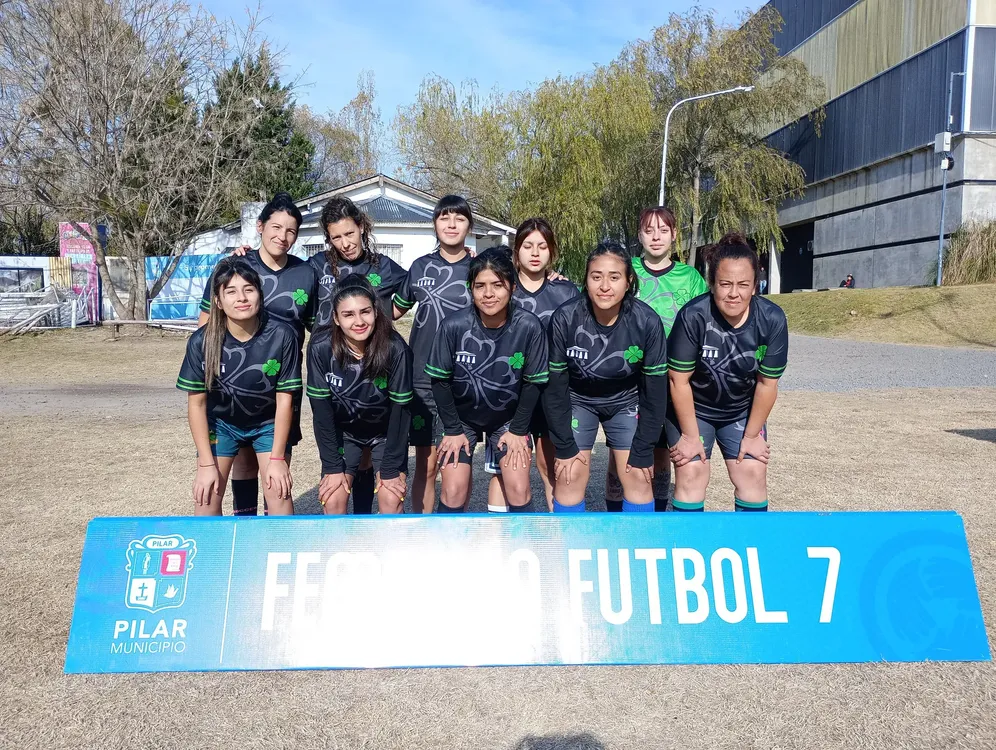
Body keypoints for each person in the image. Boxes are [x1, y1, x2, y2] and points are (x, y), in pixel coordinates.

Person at [198, 193, 316, 516]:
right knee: (243, 463)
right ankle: (245, 525)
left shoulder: (306, 273)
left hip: (281, 382)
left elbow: (316, 327)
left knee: (275, 468)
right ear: (260, 226)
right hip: (234, 381)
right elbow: (206, 326)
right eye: (276, 227)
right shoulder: (236, 265)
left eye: (291, 231)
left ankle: (270, 530)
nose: (282, 236)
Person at [666, 232, 788, 512]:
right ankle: (690, 538)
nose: (734, 293)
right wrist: (690, 437)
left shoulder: (772, 319)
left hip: (740, 410)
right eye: (725, 284)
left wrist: (752, 436)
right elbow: (678, 381)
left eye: (743, 284)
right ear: (712, 284)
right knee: (692, 472)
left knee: (752, 473)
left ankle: (750, 539)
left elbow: (767, 384)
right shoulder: (693, 316)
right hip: (693, 408)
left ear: (755, 286)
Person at [544, 241, 669, 513]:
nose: (604, 286)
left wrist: (644, 448)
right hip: (577, 400)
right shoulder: (565, 318)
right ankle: (569, 538)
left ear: (628, 282)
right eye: (596, 276)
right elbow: (554, 388)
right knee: (569, 474)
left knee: (638, 475)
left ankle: (635, 539)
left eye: (614, 277)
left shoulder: (647, 322)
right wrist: (564, 445)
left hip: (626, 401)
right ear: (586, 280)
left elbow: (656, 392)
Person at [425, 248, 548, 511]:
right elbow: (440, 382)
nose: (488, 293)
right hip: (460, 418)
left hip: (508, 419)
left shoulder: (529, 326)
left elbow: (534, 383)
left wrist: (518, 430)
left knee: (518, 488)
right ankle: (451, 537)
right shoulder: (453, 325)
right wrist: (453, 430)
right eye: (480, 286)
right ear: (470, 288)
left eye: (497, 285)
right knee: (453, 490)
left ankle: (522, 536)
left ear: (513, 287)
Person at [604, 206, 708, 513]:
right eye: (649, 230)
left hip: (672, 378)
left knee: (662, 453)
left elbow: (703, 323)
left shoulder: (690, 277)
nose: (656, 237)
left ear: (674, 235)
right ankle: (616, 517)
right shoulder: (627, 269)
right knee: (621, 455)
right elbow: (595, 297)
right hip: (629, 379)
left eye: (663, 230)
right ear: (639, 235)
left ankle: (658, 516)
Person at [179, 258, 301, 516]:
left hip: (267, 423)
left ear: (260, 295)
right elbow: (196, 405)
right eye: (231, 292)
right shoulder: (201, 341)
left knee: (278, 491)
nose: (242, 298)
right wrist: (205, 465)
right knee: (206, 497)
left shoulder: (282, 335)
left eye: (249, 289)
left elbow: (285, 401)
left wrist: (277, 459)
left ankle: (274, 539)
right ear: (218, 301)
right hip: (221, 424)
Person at [307, 196, 406, 514]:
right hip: (336, 368)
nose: (345, 243)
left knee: (386, 487)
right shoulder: (316, 266)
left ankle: (378, 529)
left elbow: (417, 285)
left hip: (376, 367)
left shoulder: (383, 266)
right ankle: (354, 530)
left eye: (349, 233)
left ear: (361, 227)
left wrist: (462, 259)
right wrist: (248, 256)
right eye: (336, 237)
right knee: (340, 486)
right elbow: (281, 279)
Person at [485, 217, 579, 513]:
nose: (535, 253)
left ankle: (556, 532)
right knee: (506, 471)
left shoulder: (566, 291)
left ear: (552, 251)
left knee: (551, 468)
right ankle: (501, 535)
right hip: (510, 395)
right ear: (516, 251)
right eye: (527, 246)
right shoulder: (503, 289)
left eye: (542, 246)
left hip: (553, 393)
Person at [392, 195, 475, 513]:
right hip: (422, 380)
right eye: (444, 218)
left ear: (470, 226)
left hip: (465, 381)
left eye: (459, 218)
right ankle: (422, 533)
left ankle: (455, 530)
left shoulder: (479, 268)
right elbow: (392, 312)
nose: (452, 225)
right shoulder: (419, 267)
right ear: (435, 224)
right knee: (426, 468)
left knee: (457, 468)